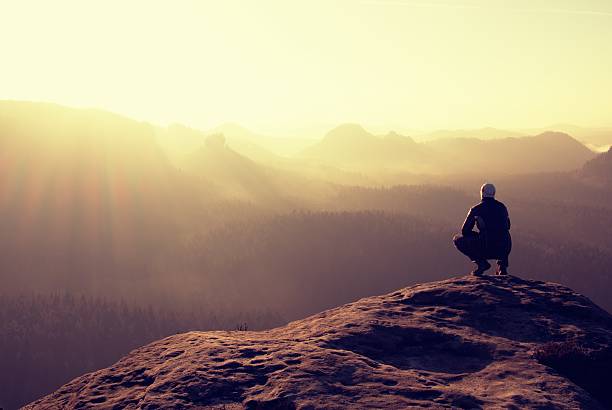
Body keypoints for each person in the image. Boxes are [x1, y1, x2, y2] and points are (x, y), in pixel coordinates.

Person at [453, 183, 512, 276]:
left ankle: (481, 263)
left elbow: (464, 231)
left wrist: (477, 235)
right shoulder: (502, 207)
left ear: (482, 193)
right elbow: (507, 226)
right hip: (503, 248)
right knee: (504, 235)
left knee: (457, 239)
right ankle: (502, 267)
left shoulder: (476, 209)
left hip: (486, 246)